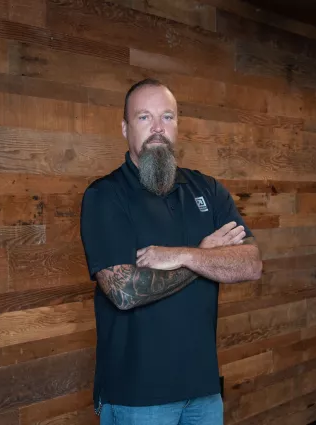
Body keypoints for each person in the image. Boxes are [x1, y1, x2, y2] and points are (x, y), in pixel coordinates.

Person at [80, 78, 262, 425]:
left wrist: (186, 255)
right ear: (124, 128)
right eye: (144, 118)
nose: (158, 128)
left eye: (167, 117)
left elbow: (251, 264)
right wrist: (206, 257)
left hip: (204, 392)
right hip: (136, 397)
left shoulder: (208, 190)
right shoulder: (104, 196)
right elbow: (123, 290)